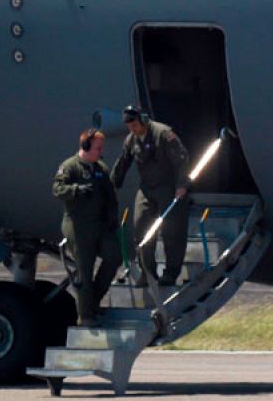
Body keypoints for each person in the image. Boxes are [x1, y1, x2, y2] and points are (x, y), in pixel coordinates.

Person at [112, 105, 190, 291]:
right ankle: (148, 273)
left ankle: (171, 273)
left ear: (143, 120)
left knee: (172, 231)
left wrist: (182, 185)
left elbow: (182, 159)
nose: (132, 128)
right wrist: (113, 184)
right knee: (141, 228)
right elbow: (123, 162)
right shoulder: (131, 140)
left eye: (134, 124)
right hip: (147, 188)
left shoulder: (163, 134)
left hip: (168, 187)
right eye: (129, 125)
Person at [52, 128, 121, 325]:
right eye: (98, 148)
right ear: (85, 146)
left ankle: (92, 301)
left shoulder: (101, 169)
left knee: (114, 256)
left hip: (100, 224)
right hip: (78, 225)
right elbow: (57, 189)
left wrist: (111, 218)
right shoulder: (70, 166)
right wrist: (76, 190)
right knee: (84, 269)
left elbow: (111, 196)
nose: (101, 152)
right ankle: (86, 315)